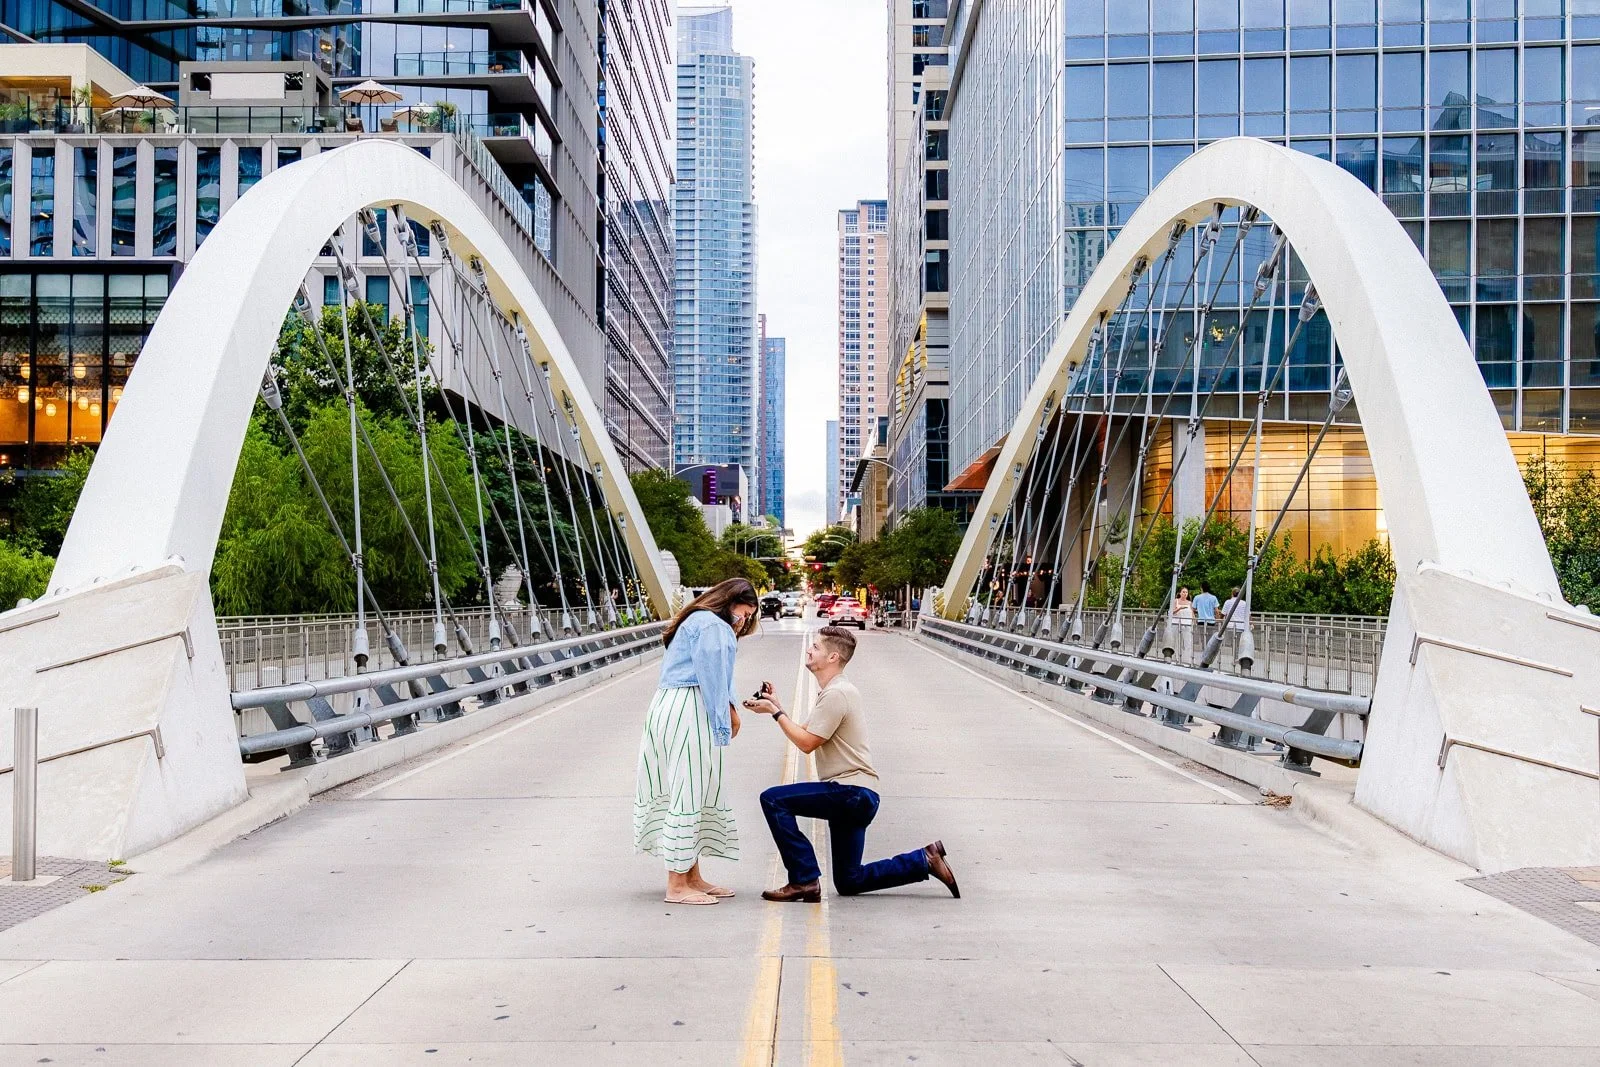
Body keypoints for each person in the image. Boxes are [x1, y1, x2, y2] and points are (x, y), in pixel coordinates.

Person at [744, 626, 960, 902]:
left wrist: (775, 713)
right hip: (860, 796)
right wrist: (776, 705)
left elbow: (807, 744)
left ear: (833, 657)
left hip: (850, 792)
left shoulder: (838, 694)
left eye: (816, 647)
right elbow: (804, 733)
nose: (809, 650)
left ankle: (803, 879)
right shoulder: (835, 692)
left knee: (773, 800)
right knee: (849, 880)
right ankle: (924, 860)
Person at [635, 577, 759, 905]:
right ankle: (677, 885)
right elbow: (714, 679)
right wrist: (728, 718)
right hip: (690, 707)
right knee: (689, 792)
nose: (743, 621)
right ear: (729, 603)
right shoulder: (713, 626)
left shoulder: (697, 620)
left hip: (670, 705)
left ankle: (692, 877)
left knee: (692, 791)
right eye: (743, 613)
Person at [1170, 585, 1196, 663]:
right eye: (1183, 592)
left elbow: (1192, 613)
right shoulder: (1176, 601)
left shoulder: (1189, 603)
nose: (1185, 593)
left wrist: (1194, 621)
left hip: (1187, 625)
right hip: (1176, 623)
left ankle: (1188, 658)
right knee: (1177, 641)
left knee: (1188, 641)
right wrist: (1179, 608)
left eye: (1186, 592)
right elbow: (1171, 612)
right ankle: (1176, 657)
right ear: (1180, 593)